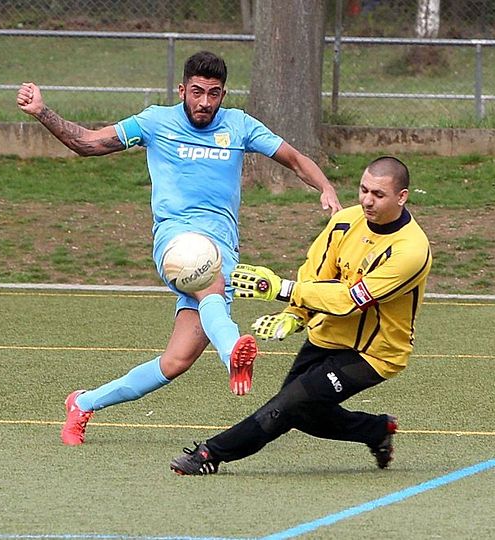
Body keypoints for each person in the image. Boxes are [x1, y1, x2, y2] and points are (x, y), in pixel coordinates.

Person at [16, 50, 342, 446]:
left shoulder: (238, 126)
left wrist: (325, 187)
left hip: (223, 249)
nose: (205, 102)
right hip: (176, 240)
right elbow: (87, 143)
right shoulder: (155, 122)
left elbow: (293, 158)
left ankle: (83, 402)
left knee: (176, 361)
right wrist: (43, 112)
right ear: (182, 89)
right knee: (209, 280)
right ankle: (232, 353)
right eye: (198, 92)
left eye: (214, 94)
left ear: (224, 93)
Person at [169, 156, 431, 474]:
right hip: (328, 334)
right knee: (302, 411)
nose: (366, 200)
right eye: (363, 190)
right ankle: (376, 430)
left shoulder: (411, 250)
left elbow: (351, 299)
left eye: (378, 194)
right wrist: (296, 314)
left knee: (290, 404)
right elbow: (316, 274)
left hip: (374, 353)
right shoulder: (345, 222)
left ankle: (210, 454)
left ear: (401, 197)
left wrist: (283, 289)